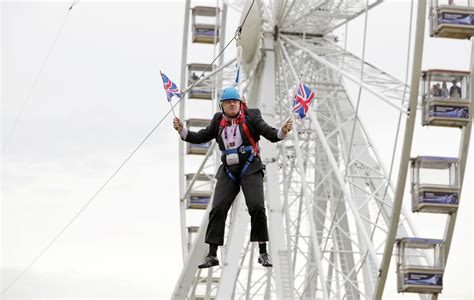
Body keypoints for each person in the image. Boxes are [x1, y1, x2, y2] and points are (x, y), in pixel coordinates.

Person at [173, 87, 293, 269]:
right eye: (228, 102)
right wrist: (182, 130)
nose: (232, 105)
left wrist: (282, 132)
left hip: (250, 168)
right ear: (222, 106)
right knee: (218, 208)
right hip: (229, 170)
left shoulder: (252, 116)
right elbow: (200, 136)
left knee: (257, 207)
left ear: (240, 103)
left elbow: (269, 133)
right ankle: (212, 255)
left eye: (235, 102)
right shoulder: (218, 121)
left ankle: (263, 252)